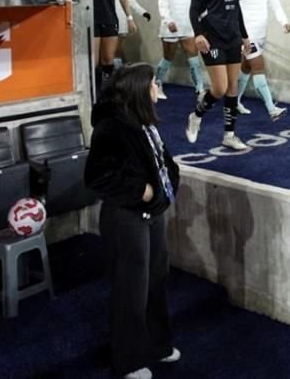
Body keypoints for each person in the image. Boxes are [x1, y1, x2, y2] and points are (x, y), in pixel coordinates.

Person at [84, 63, 181, 379]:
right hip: (126, 219)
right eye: (154, 83)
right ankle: (129, 360)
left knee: (156, 279)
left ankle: (157, 344)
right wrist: (142, 190)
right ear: (140, 88)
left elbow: (162, 159)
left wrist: (166, 187)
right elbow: (97, 176)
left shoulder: (143, 121)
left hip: (153, 214)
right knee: (131, 289)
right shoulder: (111, 126)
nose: (158, 88)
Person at [185, 0, 252, 149]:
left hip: (232, 37)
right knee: (220, 88)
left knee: (232, 88)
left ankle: (229, 135)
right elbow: (194, 9)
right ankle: (196, 116)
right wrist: (198, 35)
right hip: (211, 39)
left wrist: (244, 35)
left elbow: (237, 9)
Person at [234, 0, 290, 120]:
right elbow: (233, 7)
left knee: (246, 67)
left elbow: (274, 2)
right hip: (246, 33)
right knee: (258, 67)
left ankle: (234, 102)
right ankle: (271, 109)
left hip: (261, 31)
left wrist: (284, 21)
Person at [156, 0, 207, 100]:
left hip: (187, 25)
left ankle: (200, 90)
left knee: (194, 58)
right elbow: (162, 4)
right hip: (171, 26)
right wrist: (168, 21)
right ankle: (157, 84)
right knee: (167, 57)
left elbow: (196, 4)